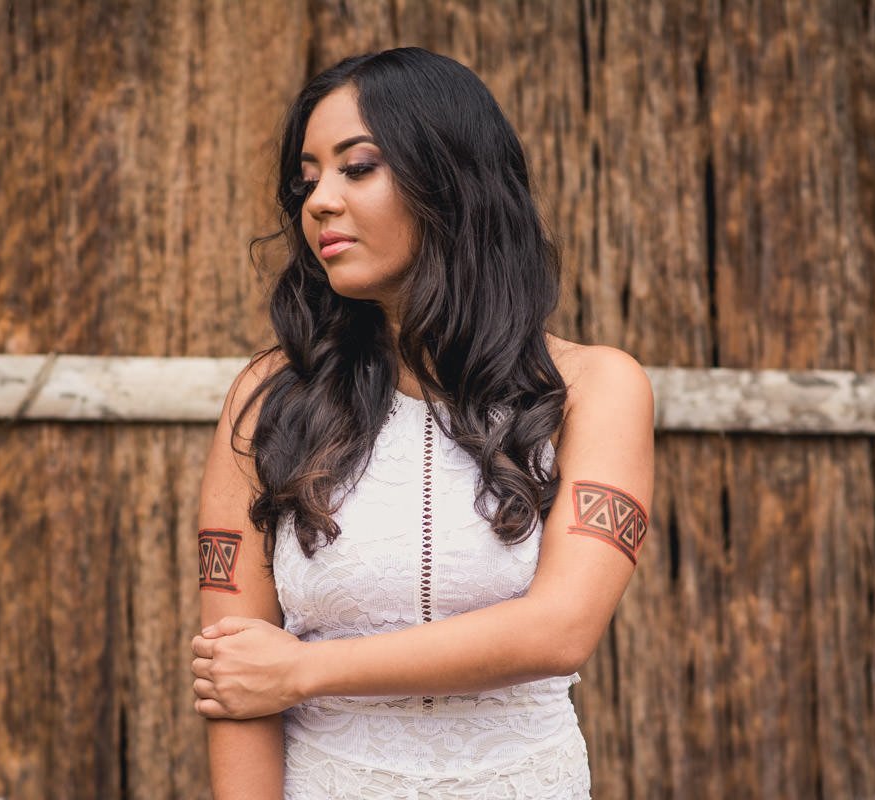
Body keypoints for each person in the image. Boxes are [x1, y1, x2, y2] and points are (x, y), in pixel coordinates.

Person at [190, 47, 654, 799]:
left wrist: (303, 669)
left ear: (451, 177)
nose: (318, 202)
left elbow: (561, 629)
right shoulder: (268, 399)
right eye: (306, 180)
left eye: (358, 166)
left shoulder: (595, 389)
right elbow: (237, 675)